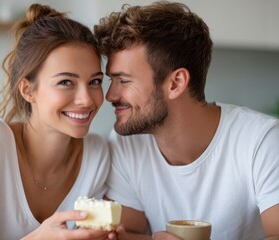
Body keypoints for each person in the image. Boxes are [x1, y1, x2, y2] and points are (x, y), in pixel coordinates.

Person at [94, 1, 279, 240]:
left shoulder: (262, 141)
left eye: (124, 81)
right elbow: (125, 233)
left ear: (176, 83)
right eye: (111, 80)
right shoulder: (126, 145)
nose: (110, 95)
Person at [0, 3, 115, 240]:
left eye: (94, 81)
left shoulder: (97, 154)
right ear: (27, 90)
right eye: (66, 82)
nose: (87, 100)